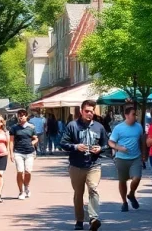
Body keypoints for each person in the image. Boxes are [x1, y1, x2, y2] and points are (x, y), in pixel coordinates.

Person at [60, 99, 108, 231]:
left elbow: (106, 144)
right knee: (78, 193)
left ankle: (93, 218)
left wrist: (100, 149)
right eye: (87, 111)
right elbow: (63, 143)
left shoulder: (99, 127)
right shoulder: (72, 126)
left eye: (92, 111)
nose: (89, 113)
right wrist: (76, 146)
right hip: (76, 165)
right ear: (81, 111)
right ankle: (79, 220)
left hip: (93, 164)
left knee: (93, 189)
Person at [109, 105, 145, 212]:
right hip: (122, 158)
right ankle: (124, 202)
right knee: (122, 181)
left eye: (136, 114)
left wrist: (144, 154)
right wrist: (119, 147)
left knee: (137, 178)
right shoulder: (118, 128)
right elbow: (111, 142)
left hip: (136, 157)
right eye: (134, 114)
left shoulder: (139, 127)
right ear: (126, 115)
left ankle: (131, 194)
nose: (136, 116)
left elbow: (142, 141)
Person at [10, 109, 39, 198]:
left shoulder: (31, 127)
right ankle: (21, 191)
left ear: (26, 116)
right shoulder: (14, 128)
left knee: (28, 172)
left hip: (29, 152)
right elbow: (11, 141)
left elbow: (36, 138)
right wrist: (11, 153)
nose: (21, 117)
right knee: (20, 171)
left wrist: (33, 142)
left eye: (23, 115)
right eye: (19, 115)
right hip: (18, 152)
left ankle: (26, 186)